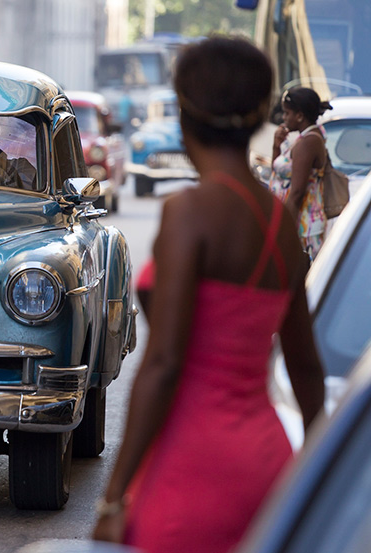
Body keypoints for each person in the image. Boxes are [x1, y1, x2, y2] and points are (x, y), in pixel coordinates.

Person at [92, 36, 325, 553]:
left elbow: (164, 364)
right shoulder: (280, 227)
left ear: (184, 113)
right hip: (266, 467)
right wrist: (316, 478)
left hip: (190, 467)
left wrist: (112, 499)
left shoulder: (190, 212)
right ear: (260, 114)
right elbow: (306, 366)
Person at [268, 87, 332, 260]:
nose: (283, 117)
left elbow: (296, 192)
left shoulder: (308, 142)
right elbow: (280, 174)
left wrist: (283, 229)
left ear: (300, 116)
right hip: (300, 224)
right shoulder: (305, 137)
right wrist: (276, 146)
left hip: (303, 227)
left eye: (287, 113)